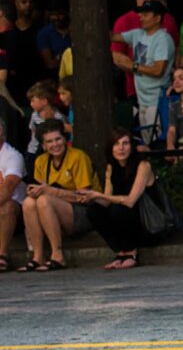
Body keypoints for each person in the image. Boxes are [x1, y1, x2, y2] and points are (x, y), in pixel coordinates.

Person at [18, 120, 98, 272]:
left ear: (65, 139)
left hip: (84, 212)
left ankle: (57, 255)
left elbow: (84, 197)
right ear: (43, 146)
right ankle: (38, 256)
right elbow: (41, 190)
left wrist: (51, 192)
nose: (55, 144)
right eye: (49, 141)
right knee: (29, 202)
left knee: (44, 200)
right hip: (54, 212)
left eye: (58, 139)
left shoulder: (78, 157)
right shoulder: (40, 161)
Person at [79, 129, 161, 269]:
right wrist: (90, 198)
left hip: (148, 223)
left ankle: (132, 253)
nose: (121, 148)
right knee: (94, 210)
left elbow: (130, 201)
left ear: (132, 146)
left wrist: (98, 195)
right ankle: (120, 252)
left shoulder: (143, 165)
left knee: (119, 209)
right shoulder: (111, 167)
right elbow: (107, 199)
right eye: (116, 144)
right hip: (123, 218)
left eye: (125, 143)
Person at [110, 0, 175, 140]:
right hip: (142, 100)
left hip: (157, 100)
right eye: (141, 14)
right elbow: (113, 37)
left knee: (158, 141)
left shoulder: (163, 39)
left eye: (145, 14)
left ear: (157, 18)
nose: (141, 17)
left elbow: (158, 71)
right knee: (147, 142)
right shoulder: (138, 34)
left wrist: (131, 66)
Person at [109, 0, 180, 104]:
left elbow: (176, 49)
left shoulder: (167, 18)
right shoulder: (124, 22)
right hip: (135, 91)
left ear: (158, 18)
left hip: (163, 91)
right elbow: (117, 57)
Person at [0, 116, 26, 271]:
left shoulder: (12, 156)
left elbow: (7, 189)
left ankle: (2, 255)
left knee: (7, 206)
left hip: (16, 212)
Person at [24, 81, 65, 162]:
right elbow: (32, 130)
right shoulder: (34, 115)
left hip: (52, 152)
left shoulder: (58, 117)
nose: (31, 104)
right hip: (33, 152)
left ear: (44, 102)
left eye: (33, 101)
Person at [35, 0, 70, 77]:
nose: (57, 18)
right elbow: (50, 64)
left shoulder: (75, 31)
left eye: (60, 14)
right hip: (55, 77)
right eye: (53, 14)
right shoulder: (44, 33)